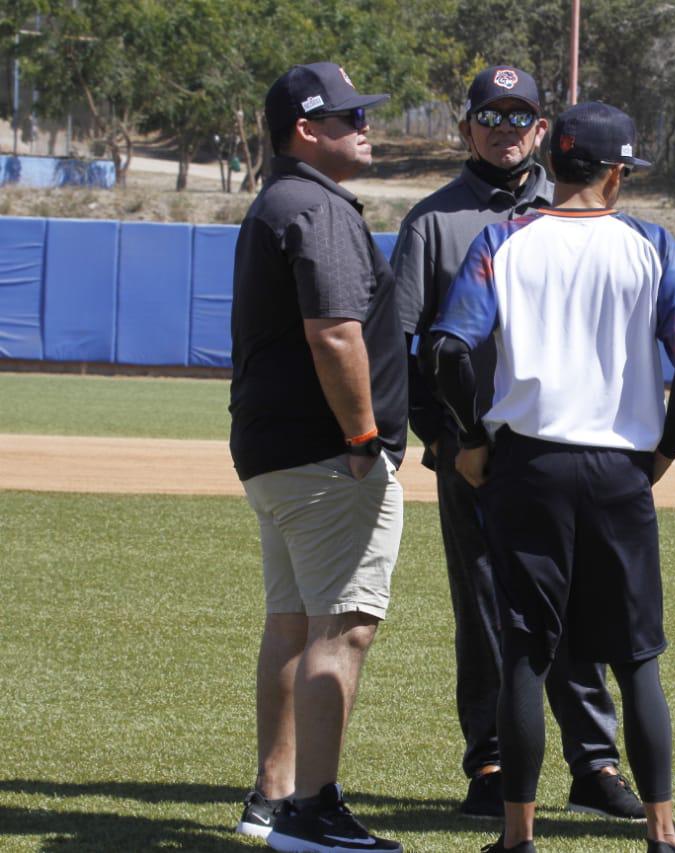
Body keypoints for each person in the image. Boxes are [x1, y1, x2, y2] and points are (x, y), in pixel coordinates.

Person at [431, 101, 675, 853]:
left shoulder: (504, 237)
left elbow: (451, 350)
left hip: (529, 463)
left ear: (551, 165)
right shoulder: (651, 243)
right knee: (637, 656)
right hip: (622, 467)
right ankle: (662, 833)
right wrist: (666, 451)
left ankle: (518, 836)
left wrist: (467, 441)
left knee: (527, 651)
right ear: (616, 173)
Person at [391, 66, 643, 821]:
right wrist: (445, 440)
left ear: (542, 132)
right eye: (489, 116)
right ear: (465, 127)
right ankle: (492, 758)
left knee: (578, 604)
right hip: (473, 450)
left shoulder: (575, 214)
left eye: (520, 117)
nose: (505, 129)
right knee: (486, 609)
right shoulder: (433, 222)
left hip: (567, 445)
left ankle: (593, 761)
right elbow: (402, 348)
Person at [229, 61, 406, 853]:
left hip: (274, 452)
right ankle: (313, 809)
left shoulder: (278, 200)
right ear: (306, 130)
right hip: (326, 455)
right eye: (347, 117)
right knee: (345, 627)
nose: (363, 126)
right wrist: (364, 437)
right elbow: (333, 332)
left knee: (293, 625)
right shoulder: (315, 204)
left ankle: (272, 797)